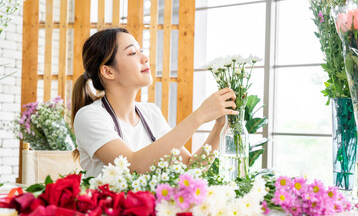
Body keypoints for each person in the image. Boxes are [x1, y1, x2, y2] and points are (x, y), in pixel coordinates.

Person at [71, 28, 238, 178]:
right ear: (108, 71)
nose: (145, 58)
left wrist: (219, 125)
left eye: (141, 50)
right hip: (108, 212)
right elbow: (132, 166)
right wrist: (199, 116)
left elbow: (190, 168)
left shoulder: (150, 113)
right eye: (132, 53)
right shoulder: (89, 117)